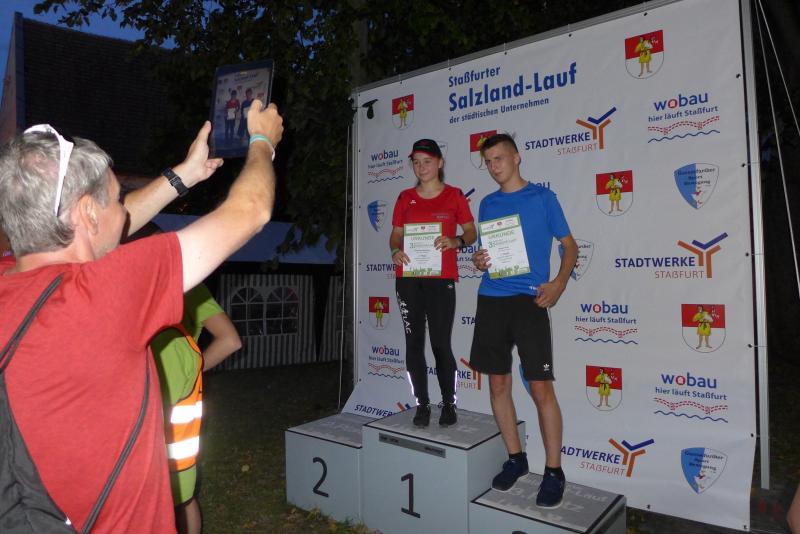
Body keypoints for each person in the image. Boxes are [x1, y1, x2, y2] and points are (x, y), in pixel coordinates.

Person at [0, 100, 283, 532]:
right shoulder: (101, 296)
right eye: (117, 199)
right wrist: (263, 140)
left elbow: (101, 234)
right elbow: (251, 210)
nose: (126, 210)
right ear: (87, 212)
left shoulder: (9, 279)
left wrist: (182, 177)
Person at [469, 133, 577, 508]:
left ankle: (554, 472)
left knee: (540, 389)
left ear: (516, 158)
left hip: (530, 301)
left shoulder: (543, 198)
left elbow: (569, 245)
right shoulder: (487, 203)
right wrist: (478, 260)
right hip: (491, 298)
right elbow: (484, 254)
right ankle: (516, 458)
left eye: (499, 158)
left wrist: (559, 283)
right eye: (488, 161)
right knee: (498, 384)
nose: (493, 166)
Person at [390, 139, 476, 427]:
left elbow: (471, 232)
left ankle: (448, 403)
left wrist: (456, 241)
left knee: (440, 343)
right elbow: (396, 234)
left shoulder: (454, 195)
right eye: (416, 162)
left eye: (427, 161)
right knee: (413, 343)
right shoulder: (405, 197)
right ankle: (422, 404)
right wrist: (395, 250)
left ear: (440, 163)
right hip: (409, 279)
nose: (421, 167)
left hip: (441, 280)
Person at [150, 282, 241, 534]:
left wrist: (192, 368)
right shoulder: (186, 283)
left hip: (149, 406)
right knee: (183, 496)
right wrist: (191, 371)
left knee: (166, 499)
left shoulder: (179, 283)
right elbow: (230, 340)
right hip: (173, 412)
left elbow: (231, 341)